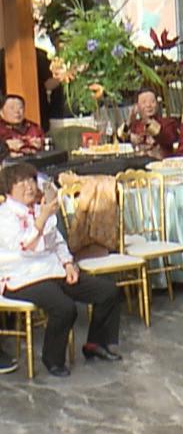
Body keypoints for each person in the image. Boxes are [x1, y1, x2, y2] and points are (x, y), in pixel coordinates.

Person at [0, 161, 124, 377]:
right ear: (9, 188)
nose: (29, 186)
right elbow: (24, 245)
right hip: (21, 277)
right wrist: (42, 217)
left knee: (108, 291)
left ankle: (96, 343)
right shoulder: (5, 216)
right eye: (22, 182)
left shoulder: (39, 210)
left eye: (31, 180)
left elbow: (57, 242)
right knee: (64, 307)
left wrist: (68, 264)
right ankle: (53, 359)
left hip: (52, 270)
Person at [120, 88, 181, 159]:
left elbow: (168, 137)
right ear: (137, 106)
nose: (148, 105)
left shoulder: (168, 123)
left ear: (157, 104)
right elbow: (121, 139)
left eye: (152, 102)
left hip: (161, 163)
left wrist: (147, 121)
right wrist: (129, 121)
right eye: (144, 102)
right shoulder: (134, 125)